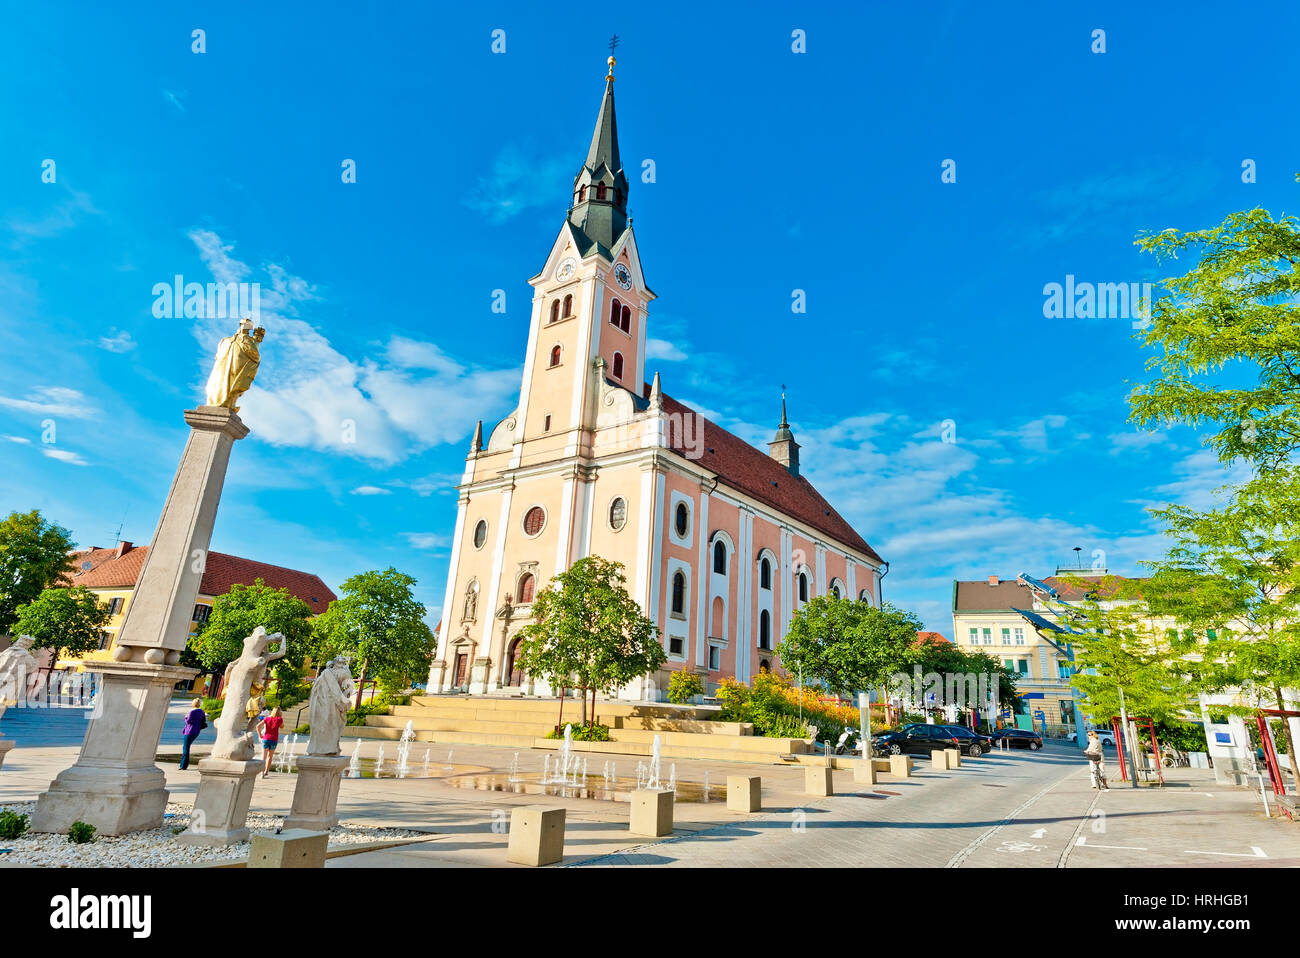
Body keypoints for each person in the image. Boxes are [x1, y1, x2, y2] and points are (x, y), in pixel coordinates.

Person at [180, 698, 208, 770]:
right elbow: (203, 721)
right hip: (196, 731)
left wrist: (185, 717)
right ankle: (184, 764)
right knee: (187, 747)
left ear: (193, 704)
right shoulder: (202, 712)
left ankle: (183, 765)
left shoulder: (191, 712)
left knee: (186, 748)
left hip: (189, 731)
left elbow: (188, 722)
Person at [257, 707, 284, 778]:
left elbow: (258, 726)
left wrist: (260, 735)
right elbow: (282, 727)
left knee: (264, 757)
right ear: (279, 713)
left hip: (266, 739)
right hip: (274, 740)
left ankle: (261, 773)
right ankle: (266, 771)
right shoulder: (280, 719)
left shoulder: (267, 719)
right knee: (270, 756)